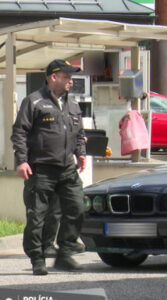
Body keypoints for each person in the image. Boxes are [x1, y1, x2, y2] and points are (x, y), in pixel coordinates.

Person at [11, 59, 87, 275]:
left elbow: (78, 133)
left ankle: (65, 252)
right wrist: (22, 161)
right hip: (40, 169)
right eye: (66, 77)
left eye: (71, 77)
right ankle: (38, 258)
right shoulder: (34, 102)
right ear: (53, 77)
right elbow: (19, 133)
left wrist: (80, 153)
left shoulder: (73, 104)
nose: (70, 81)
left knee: (77, 207)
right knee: (38, 216)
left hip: (67, 169)